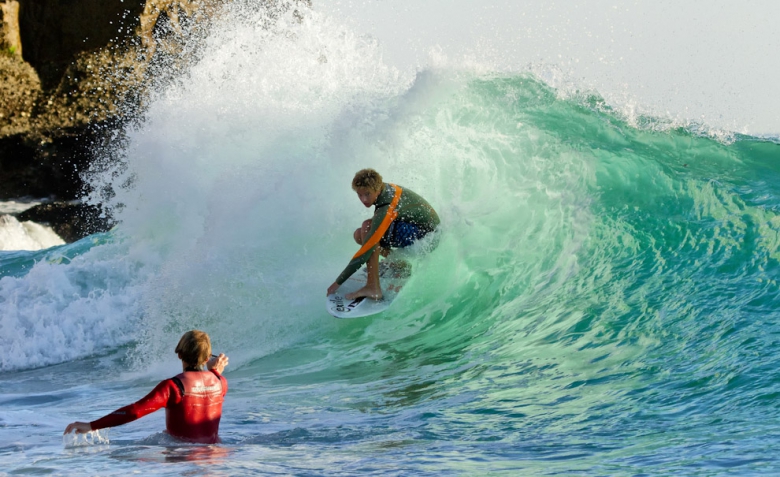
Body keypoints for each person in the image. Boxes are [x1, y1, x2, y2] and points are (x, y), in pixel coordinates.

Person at [63, 330, 229, 444]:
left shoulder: (173, 387)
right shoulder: (221, 383)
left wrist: (92, 425)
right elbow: (211, 380)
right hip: (216, 460)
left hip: (185, 458)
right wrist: (215, 371)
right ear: (207, 358)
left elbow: (136, 410)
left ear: (179, 354)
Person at [327, 168, 440, 300]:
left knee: (367, 229)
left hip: (427, 236)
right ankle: (399, 263)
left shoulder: (386, 205)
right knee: (360, 235)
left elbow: (366, 250)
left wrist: (337, 283)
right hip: (421, 230)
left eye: (367, 194)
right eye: (360, 195)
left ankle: (373, 287)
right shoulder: (383, 189)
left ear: (377, 190)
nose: (363, 199)